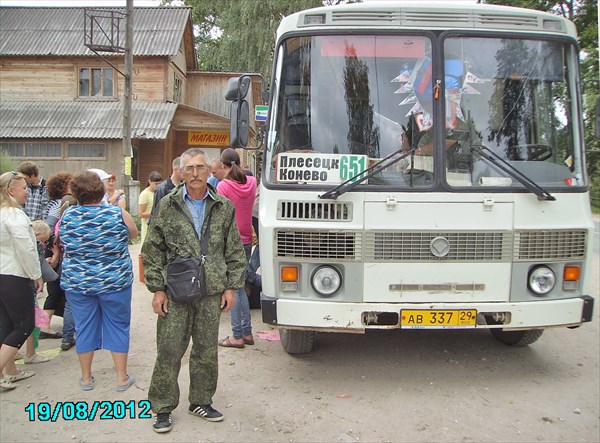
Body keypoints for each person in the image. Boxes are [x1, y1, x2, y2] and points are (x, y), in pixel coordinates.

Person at [141, 148, 247, 433]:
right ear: (182, 172)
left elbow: (234, 249)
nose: (196, 173)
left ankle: (200, 400)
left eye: (201, 167)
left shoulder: (223, 206)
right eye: (190, 169)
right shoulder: (167, 205)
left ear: (208, 171)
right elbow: (152, 249)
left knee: (205, 349)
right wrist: (157, 289)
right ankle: (162, 406)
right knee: (170, 348)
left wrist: (231, 286)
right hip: (175, 289)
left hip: (211, 290)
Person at [58, 171, 138, 392]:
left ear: (76, 193)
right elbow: (133, 234)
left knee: (84, 327)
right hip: (115, 282)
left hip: (79, 283)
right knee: (118, 326)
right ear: (101, 191)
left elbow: (62, 240)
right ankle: (121, 378)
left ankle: (86, 378)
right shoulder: (118, 214)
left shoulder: (68, 216)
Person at [0, 171, 42, 391]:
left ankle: (11, 371)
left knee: (6, 324)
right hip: (15, 275)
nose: (27, 192)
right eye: (24, 188)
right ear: (10, 191)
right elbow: (27, 248)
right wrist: (36, 274)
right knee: (25, 324)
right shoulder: (14, 215)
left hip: (2, 275)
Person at [217, 148, 257, 349]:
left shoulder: (223, 186)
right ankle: (247, 333)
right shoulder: (252, 182)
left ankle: (237, 336)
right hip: (247, 239)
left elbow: (219, 217)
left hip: (231, 241)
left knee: (234, 288)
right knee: (240, 286)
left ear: (224, 166)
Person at [40, 172, 74, 340]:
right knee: (56, 293)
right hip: (55, 252)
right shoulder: (60, 206)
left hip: (54, 251)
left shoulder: (54, 203)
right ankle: (45, 327)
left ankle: (43, 326)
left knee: (53, 292)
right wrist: (55, 251)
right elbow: (50, 230)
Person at [138, 171, 162, 244]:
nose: (158, 185)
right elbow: (140, 214)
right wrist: (154, 213)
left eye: (159, 183)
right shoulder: (145, 194)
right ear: (150, 182)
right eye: (156, 184)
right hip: (148, 226)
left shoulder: (160, 192)